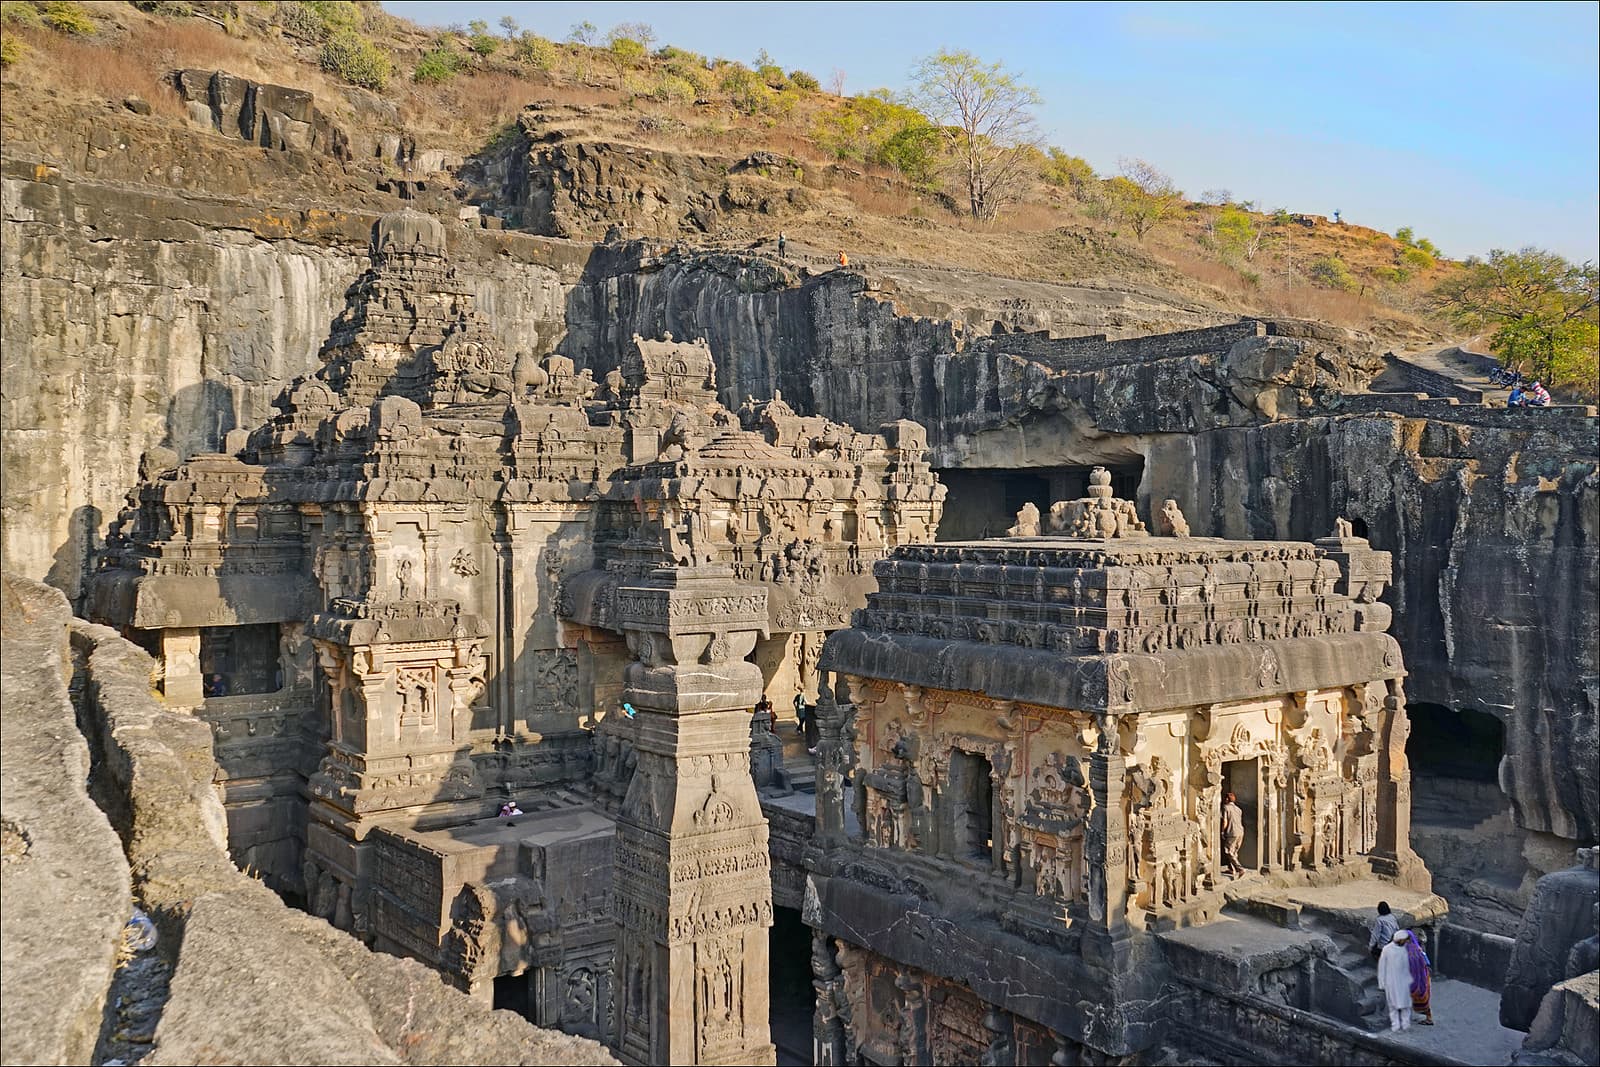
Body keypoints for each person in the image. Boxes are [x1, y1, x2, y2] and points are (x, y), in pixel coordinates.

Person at [1377, 929, 1416, 1031]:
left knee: (1406, 1004)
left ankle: (1406, 1024)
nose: (1406, 942)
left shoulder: (1406, 949)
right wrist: (1382, 982)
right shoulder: (1387, 949)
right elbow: (1382, 966)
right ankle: (1395, 1025)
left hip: (1404, 980)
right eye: (1405, 940)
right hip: (1392, 980)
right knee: (1393, 1005)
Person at [1405, 929, 1436, 1025]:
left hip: (1414, 979)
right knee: (1423, 998)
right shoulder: (1418, 949)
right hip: (1423, 978)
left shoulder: (1407, 951)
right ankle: (1428, 1017)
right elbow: (1427, 962)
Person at [1220, 791, 1245, 876]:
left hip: (1232, 832)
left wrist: (1222, 831)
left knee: (1228, 851)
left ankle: (1240, 869)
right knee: (1234, 852)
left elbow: (1225, 821)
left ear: (1227, 799)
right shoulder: (1239, 809)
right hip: (1240, 832)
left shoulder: (1226, 807)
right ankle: (1232, 869)